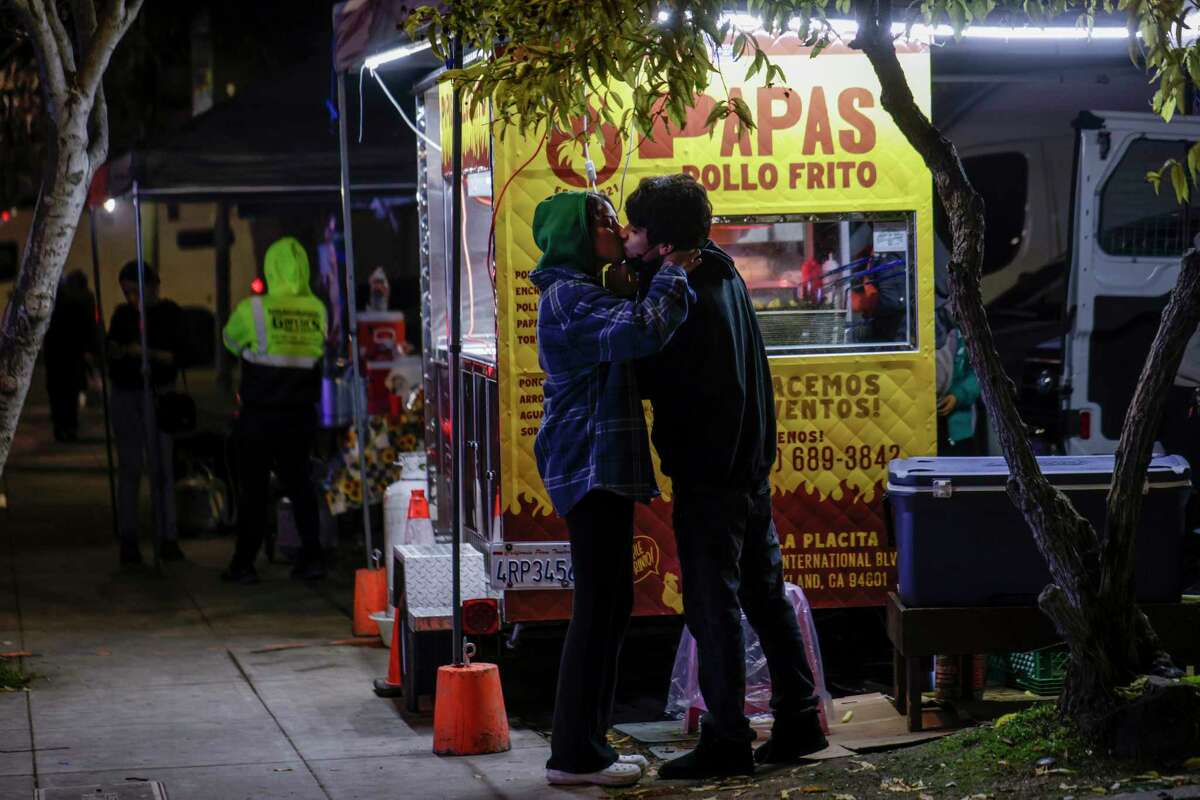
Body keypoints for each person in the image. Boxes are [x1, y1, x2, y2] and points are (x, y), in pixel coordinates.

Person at [622, 174, 827, 779]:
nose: (627, 241)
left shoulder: (682, 294)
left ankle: (727, 740)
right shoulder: (722, 268)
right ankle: (799, 720)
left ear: (661, 244)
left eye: (635, 232)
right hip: (748, 470)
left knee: (713, 610)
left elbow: (650, 375)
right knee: (765, 598)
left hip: (711, 476)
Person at [531, 190, 699, 788]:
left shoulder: (584, 290)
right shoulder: (569, 296)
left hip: (600, 466)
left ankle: (588, 747)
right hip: (588, 465)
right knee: (598, 609)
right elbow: (646, 329)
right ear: (577, 239)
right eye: (602, 222)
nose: (615, 229)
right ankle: (573, 756)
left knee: (611, 606)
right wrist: (673, 272)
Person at [221, 237, 328, 584]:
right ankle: (312, 559)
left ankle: (244, 564)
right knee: (301, 487)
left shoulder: (254, 310)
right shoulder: (317, 309)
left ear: (270, 268)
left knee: (253, 491)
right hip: (300, 416)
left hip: (260, 416)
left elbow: (231, 341)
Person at [106, 262, 187, 565]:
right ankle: (129, 540)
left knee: (161, 468)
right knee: (129, 468)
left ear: (152, 286)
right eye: (126, 292)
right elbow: (113, 350)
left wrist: (144, 353)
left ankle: (168, 537)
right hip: (125, 393)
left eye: (135, 291)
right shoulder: (123, 315)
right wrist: (119, 351)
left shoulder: (169, 314)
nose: (131, 298)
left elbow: (179, 355)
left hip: (158, 394)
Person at [45, 270, 99, 442]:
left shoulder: (55, 298)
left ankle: (60, 427)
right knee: (70, 391)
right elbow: (89, 324)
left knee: (57, 392)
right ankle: (70, 427)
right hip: (73, 351)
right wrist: (90, 348)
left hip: (55, 351)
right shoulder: (84, 298)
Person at [935, 296, 981, 456]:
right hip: (923, 427)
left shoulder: (967, 330)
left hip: (959, 429)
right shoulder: (916, 329)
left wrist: (958, 395)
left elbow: (980, 375)